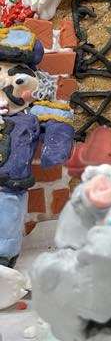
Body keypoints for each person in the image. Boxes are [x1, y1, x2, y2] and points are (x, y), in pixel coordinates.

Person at [0, 27, 74, 266]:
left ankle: (5, 256)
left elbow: (59, 123)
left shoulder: (33, 114)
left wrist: (55, 149)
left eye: (17, 81)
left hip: (11, 185)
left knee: (8, 219)